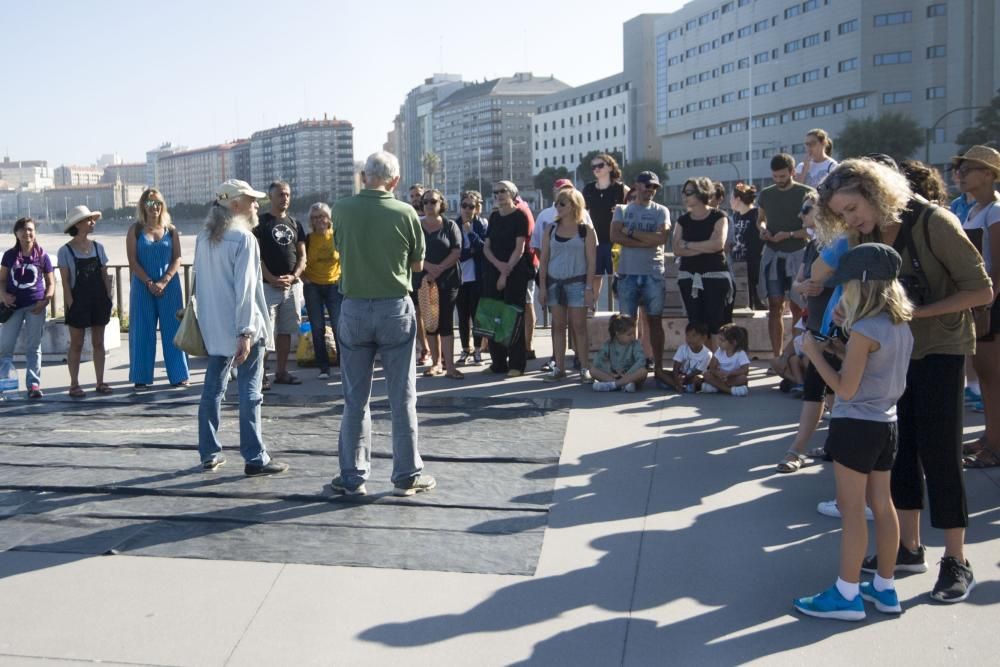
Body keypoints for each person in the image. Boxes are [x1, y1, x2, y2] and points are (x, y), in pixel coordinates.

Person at [815, 158, 992, 603]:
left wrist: (917, 313)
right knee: (899, 452)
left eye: (853, 208)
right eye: (842, 214)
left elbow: (982, 290)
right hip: (891, 355)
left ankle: (956, 558)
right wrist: (846, 309)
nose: (851, 221)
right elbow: (864, 289)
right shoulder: (862, 232)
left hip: (939, 350)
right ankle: (909, 548)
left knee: (941, 452)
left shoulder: (934, 222)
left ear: (875, 193)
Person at [793, 243, 914, 621]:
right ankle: (885, 585)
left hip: (854, 426)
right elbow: (873, 371)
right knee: (883, 505)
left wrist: (814, 354)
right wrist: (841, 353)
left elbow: (845, 390)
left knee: (851, 511)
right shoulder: (899, 324)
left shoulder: (863, 328)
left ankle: (846, 593)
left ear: (860, 285)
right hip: (885, 424)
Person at [331, 151, 434, 497]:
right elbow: (418, 265)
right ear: (395, 181)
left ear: (364, 176)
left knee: (355, 399)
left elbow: (338, 249)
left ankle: (352, 477)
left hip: (355, 308)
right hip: (394, 307)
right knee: (402, 397)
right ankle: (406, 475)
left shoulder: (341, 209)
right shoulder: (406, 213)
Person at [194, 180, 287, 476]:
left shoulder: (204, 238)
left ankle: (209, 451)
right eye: (251, 200)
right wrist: (246, 332)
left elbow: (203, 285)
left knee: (213, 390)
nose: (256, 204)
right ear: (235, 205)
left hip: (216, 327)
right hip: (243, 329)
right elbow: (246, 290)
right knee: (250, 392)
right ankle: (255, 456)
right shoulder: (244, 239)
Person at [953, 146, 1000, 469]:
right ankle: (990, 437)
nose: (961, 174)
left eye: (969, 169)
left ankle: (995, 446)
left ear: (989, 174)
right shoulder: (974, 210)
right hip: (980, 301)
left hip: (991, 303)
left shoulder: (995, 211)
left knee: (993, 376)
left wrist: (987, 301)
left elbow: (998, 265)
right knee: (984, 375)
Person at [610, 171, 671, 382]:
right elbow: (614, 235)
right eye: (646, 186)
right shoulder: (622, 209)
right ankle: (628, 368)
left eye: (654, 187)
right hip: (628, 274)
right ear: (636, 185)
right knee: (626, 324)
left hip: (653, 274)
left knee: (655, 321)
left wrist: (631, 234)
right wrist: (646, 241)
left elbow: (662, 237)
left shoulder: (662, 211)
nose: (650, 190)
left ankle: (659, 367)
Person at [126, 188, 188, 389]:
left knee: (174, 330)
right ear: (143, 206)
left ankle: (179, 375)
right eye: (151, 203)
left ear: (163, 206)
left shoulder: (171, 230)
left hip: (169, 286)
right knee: (142, 331)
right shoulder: (135, 230)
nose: (155, 207)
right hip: (143, 287)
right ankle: (141, 377)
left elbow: (177, 258)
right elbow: (132, 261)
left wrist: (164, 281)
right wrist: (150, 283)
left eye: (158, 203)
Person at [758, 154, 814, 358]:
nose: (779, 180)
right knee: (775, 305)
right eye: (775, 176)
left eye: (783, 176)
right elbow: (760, 220)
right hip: (773, 255)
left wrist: (789, 234)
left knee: (798, 306)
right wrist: (763, 230)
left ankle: (796, 355)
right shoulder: (766, 194)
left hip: (798, 254)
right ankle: (777, 355)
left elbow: (812, 230)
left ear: (792, 172)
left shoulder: (807, 194)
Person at [538, 188, 596, 383]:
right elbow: (543, 260)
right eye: (557, 203)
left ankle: (584, 367)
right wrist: (543, 287)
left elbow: (591, 262)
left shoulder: (585, 230)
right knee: (558, 326)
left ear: (574, 206)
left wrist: (590, 289)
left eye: (562, 203)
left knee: (579, 326)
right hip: (554, 283)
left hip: (577, 283)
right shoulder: (550, 229)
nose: (558, 207)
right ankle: (559, 368)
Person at [254, 180, 306, 388]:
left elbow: (302, 256)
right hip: (268, 287)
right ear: (271, 197)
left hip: (292, 287)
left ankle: (282, 372)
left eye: (287, 194)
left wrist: (293, 277)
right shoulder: (260, 223)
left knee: (286, 331)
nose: (285, 198)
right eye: (281, 195)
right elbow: (257, 257)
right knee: (265, 333)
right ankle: (260, 375)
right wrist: (271, 278)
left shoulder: (295, 223)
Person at [58, 206, 114, 398]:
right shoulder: (64, 251)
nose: (93, 223)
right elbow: (65, 281)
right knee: (77, 343)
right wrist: (70, 302)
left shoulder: (99, 247)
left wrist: (108, 298)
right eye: (89, 220)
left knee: (99, 342)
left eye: (93, 219)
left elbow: (104, 275)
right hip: (78, 301)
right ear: (78, 224)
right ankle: (74, 384)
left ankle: (100, 381)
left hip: (99, 299)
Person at [482, 180, 533, 377]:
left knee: (513, 317)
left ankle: (516, 364)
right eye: (495, 192)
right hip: (494, 269)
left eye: (503, 191)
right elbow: (486, 246)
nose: (499, 195)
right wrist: (497, 266)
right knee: (493, 317)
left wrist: (505, 272)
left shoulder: (520, 216)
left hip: (514, 272)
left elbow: (519, 247)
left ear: (512, 193)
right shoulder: (494, 216)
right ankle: (498, 363)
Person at [673, 177, 731, 349]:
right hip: (689, 277)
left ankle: (714, 365)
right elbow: (676, 249)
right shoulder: (682, 220)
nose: (684, 196)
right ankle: (697, 364)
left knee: (715, 323)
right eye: (683, 193)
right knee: (695, 323)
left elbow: (718, 244)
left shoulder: (719, 217)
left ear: (701, 193)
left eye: (689, 193)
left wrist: (688, 245)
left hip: (715, 276)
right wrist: (705, 246)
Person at [0, 217, 54, 399]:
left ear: (34, 232)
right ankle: (4, 384)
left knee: (33, 347)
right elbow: (1, 280)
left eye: (30, 229)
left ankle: (33, 385)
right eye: (22, 230)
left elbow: (51, 282)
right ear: (16, 234)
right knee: (5, 346)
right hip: (12, 307)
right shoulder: (9, 256)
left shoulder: (42, 256)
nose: (27, 233)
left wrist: (45, 300)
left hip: (35, 307)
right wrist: (3, 295)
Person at [416, 188, 463, 379]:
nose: (428, 205)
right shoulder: (417, 226)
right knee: (430, 322)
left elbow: (456, 251)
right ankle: (435, 363)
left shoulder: (450, 226)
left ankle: (449, 366)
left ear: (440, 204)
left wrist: (439, 268)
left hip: (448, 280)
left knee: (445, 322)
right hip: (424, 281)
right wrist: (428, 267)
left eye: (433, 202)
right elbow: (412, 252)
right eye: (425, 202)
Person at [301, 202, 342, 380]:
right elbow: (300, 259)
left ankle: (344, 364)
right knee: (317, 328)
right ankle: (323, 367)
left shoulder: (337, 236)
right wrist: (304, 278)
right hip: (313, 287)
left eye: (322, 216)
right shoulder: (308, 238)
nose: (319, 220)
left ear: (329, 218)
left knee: (339, 326)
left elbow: (346, 257)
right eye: (315, 217)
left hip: (334, 285)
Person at [583, 153, 629, 310]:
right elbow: (582, 213)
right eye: (593, 167)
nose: (596, 169)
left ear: (610, 167)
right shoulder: (588, 189)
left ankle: (625, 311)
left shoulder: (621, 189)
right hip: (594, 240)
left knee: (620, 277)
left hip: (615, 241)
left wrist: (623, 209)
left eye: (600, 165)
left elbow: (633, 208)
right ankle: (591, 308)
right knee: (595, 276)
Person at [455, 190, 488, 366]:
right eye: (464, 206)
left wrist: (470, 234)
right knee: (462, 316)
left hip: (476, 277)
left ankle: (477, 350)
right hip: (460, 278)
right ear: (460, 207)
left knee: (477, 316)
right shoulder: (453, 225)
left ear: (476, 208)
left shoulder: (481, 224)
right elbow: (455, 254)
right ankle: (465, 349)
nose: (467, 209)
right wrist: (470, 252)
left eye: (471, 206)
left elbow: (484, 248)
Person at [729, 183, 766, 310]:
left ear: (738, 199)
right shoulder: (735, 216)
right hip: (737, 261)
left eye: (731, 198)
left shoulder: (756, 214)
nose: (730, 201)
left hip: (753, 261)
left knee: (754, 296)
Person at [590, 313, 647, 392]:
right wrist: (610, 372)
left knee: (643, 371)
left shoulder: (635, 344)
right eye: (629, 334)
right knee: (593, 370)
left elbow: (641, 361)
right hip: (613, 375)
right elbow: (597, 360)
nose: (633, 337)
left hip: (630, 375)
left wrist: (627, 374)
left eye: (634, 333)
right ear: (618, 334)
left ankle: (614, 385)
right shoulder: (609, 344)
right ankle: (622, 384)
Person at [408, 183, 430, 363]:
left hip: (432, 273)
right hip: (413, 273)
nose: (416, 198)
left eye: (419, 195)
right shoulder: (408, 217)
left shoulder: (433, 218)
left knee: (432, 313)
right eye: (413, 196)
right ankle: (425, 348)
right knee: (416, 313)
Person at [702, 324, 750, 396]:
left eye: (722, 340)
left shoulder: (740, 353)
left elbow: (745, 369)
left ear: (733, 342)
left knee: (743, 378)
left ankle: (718, 387)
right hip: (720, 378)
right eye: (719, 339)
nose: (719, 342)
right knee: (706, 374)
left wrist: (730, 373)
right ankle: (730, 390)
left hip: (733, 378)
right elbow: (712, 368)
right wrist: (717, 373)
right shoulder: (719, 351)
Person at [664, 321, 712, 393]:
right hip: (681, 374)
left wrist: (685, 378)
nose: (689, 339)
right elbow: (676, 366)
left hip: (692, 376)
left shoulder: (707, 354)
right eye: (687, 335)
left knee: (698, 379)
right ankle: (678, 385)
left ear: (704, 338)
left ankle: (676, 385)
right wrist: (677, 378)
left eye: (694, 335)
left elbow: (698, 371)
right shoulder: (682, 348)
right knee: (659, 372)